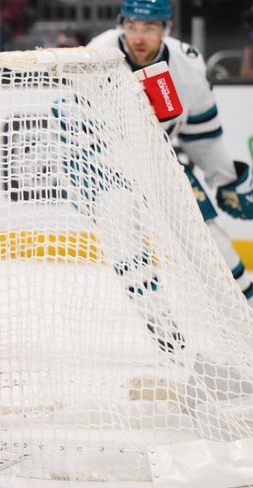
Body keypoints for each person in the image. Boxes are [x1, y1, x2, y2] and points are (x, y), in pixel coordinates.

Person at [89, 0, 253, 306]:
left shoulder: (186, 66)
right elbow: (75, 122)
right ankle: (164, 332)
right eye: (132, 26)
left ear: (167, 28)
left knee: (208, 239)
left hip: (159, 161)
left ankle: (247, 314)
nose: (138, 37)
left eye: (148, 29)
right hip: (107, 163)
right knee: (125, 241)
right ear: (121, 23)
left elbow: (202, 136)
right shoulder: (97, 54)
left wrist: (226, 179)